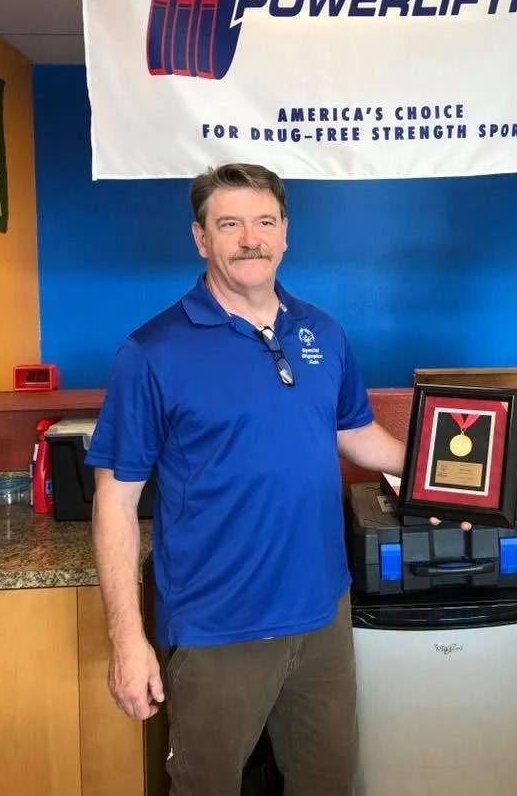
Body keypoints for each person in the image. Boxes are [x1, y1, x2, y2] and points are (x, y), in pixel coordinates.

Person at [87, 162, 409, 795]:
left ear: (285, 232)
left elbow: (354, 434)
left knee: (327, 783)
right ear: (201, 238)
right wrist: (128, 640)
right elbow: (115, 501)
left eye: (263, 222)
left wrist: (447, 477)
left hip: (322, 615)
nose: (249, 239)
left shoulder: (321, 330)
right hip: (218, 627)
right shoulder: (152, 351)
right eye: (228, 224)